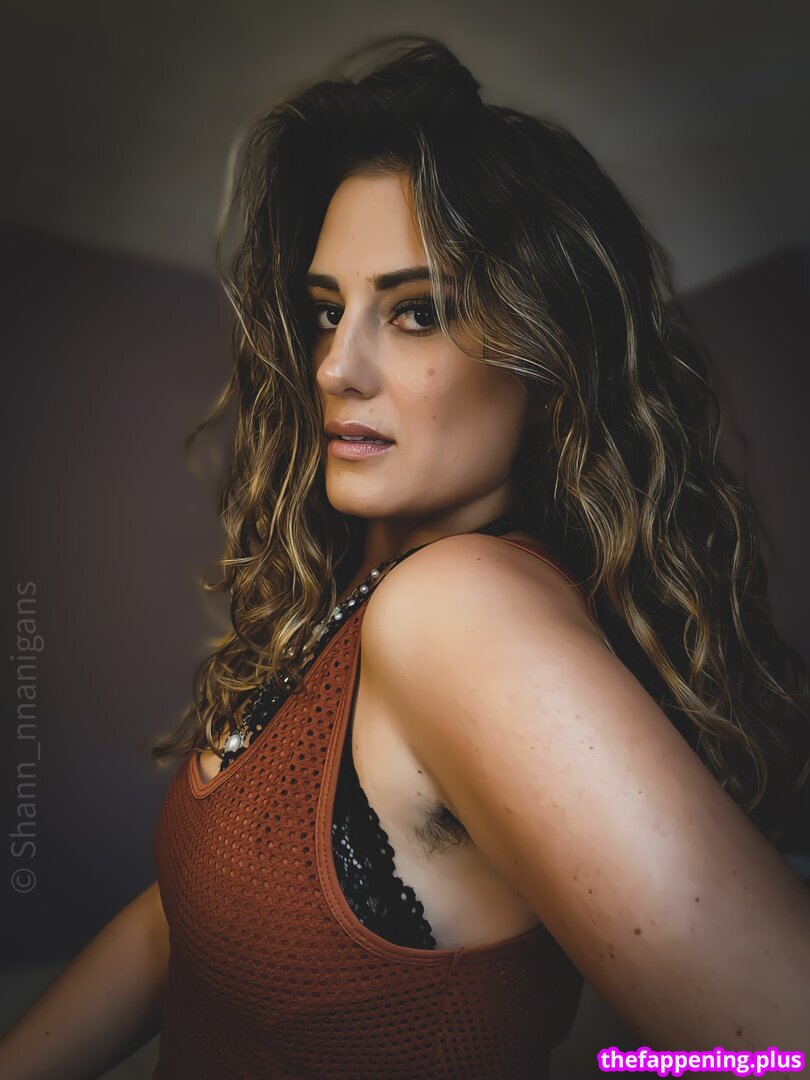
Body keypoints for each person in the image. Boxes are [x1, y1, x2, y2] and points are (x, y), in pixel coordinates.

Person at [2, 33, 809, 1080]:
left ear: (547, 362)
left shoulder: (459, 610)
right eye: (326, 311)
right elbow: (191, 915)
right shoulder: (368, 587)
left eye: (417, 312)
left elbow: (780, 1038)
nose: (335, 366)